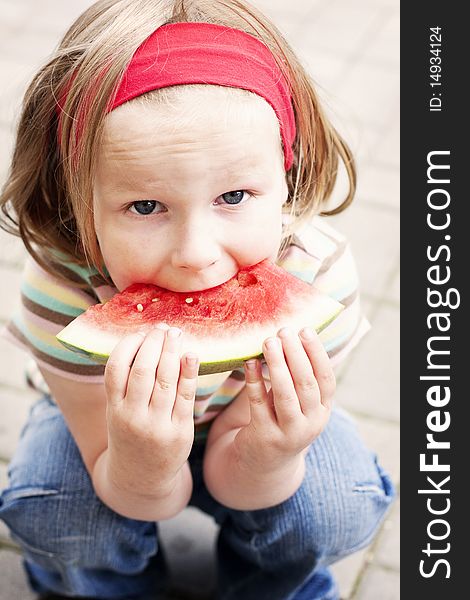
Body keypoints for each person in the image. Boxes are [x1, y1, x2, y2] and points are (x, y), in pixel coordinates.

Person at [0, 1, 394, 599]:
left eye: (234, 195)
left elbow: (246, 475)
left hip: (259, 425)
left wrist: (274, 453)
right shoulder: (64, 292)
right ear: (78, 198)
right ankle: (101, 587)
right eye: (145, 207)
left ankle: (271, 585)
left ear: (286, 174)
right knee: (57, 511)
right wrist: (140, 460)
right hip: (108, 434)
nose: (195, 253)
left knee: (337, 503)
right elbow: (123, 478)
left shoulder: (319, 275)